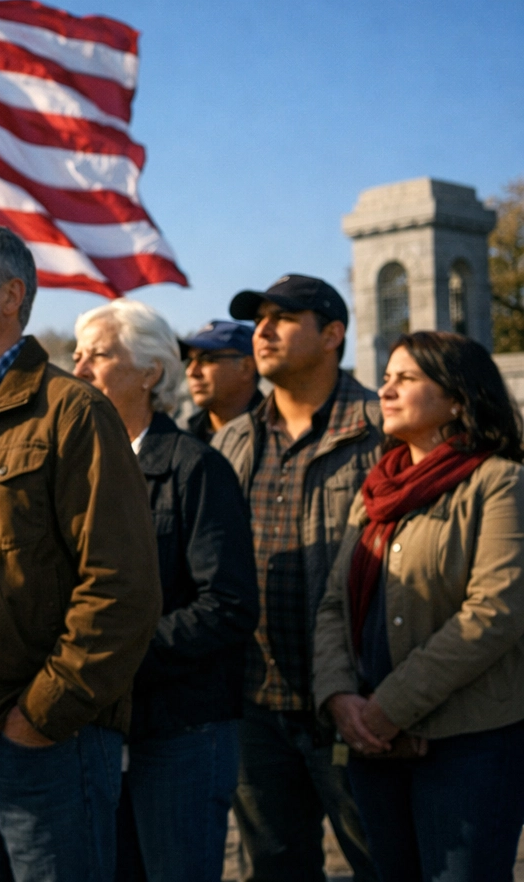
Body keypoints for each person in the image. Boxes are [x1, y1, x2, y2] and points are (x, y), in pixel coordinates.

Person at [0, 216, 162, 882]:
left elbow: (121, 587)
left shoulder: (73, 411)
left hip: (45, 745)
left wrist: (40, 718)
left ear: (10, 296)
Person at [314, 332, 524, 882]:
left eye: (405, 379)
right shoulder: (379, 489)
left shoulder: (499, 482)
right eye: (385, 377)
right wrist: (339, 698)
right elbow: (334, 605)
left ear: (457, 398)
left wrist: (388, 708)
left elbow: (495, 612)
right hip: (371, 744)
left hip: (467, 746)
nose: (385, 390)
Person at [71, 300, 258, 882]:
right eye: (76, 355)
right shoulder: (75, 469)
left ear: (150, 372)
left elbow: (226, 605)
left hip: (182, 731)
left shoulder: (195, 468)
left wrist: (111, 659)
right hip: (93, 731)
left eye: (98, 355)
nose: (78, 370)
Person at [215, 274, 381, 882]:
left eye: (284, 318)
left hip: (359, 702)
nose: (263, 331)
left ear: (333, 333)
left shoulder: (382, 428)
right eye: (258, 319)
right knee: (275, 867)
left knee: (382, 860)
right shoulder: (233, 437)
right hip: (256, 705)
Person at [180, 319, 261, 443]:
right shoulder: (184, 436)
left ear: (246, 367)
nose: (191, 372)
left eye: (206, 359)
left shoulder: (275, 431)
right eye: (189, 361)